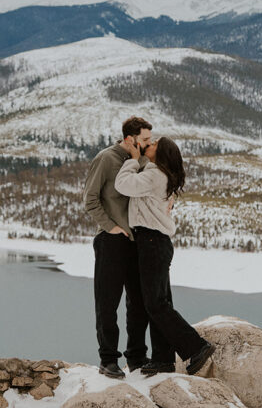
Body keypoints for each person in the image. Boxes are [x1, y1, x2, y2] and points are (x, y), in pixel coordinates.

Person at [114, 136, 214, 376]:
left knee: (155, 303)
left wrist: (133, 160)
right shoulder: (157, 174)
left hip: (152, 242)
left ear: (162, 153)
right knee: (159, 302)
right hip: (154, 243)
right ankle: (163, 359)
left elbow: (122, 184)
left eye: (155, 143)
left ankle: (196, 346)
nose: (149, 144)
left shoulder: (155, 175)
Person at [83, 116, 153, 378]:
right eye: (145, 139)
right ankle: (108, 360)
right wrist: (111, 227)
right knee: (107, 302)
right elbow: (90, 199)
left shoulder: (143, 161)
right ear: (129, 139)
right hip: (111, 241)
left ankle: (136, 357)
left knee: (139, 303)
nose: (149, 143)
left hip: (138, 241)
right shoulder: (105, 159)